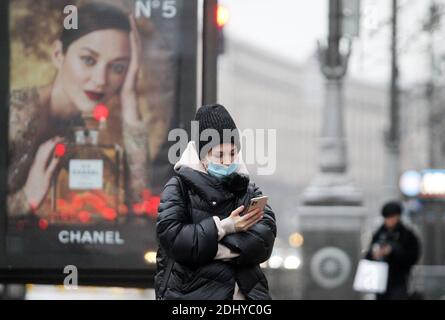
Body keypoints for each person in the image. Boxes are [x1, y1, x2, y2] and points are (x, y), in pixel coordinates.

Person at [7, 2, 149, 217]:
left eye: (118, 67)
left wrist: (129, 97)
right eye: (88, 60)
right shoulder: (15, 113)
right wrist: (26, 197)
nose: (101, 80)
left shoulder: (88, 127)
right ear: (58, 54)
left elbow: (138, 200)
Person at [155, 104, 277, 300]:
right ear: (203, 157)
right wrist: (225, 227)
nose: (228, 161)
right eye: (220, 155)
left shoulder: (249, 190)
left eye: (232, 153)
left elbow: (264, 240)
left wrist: (210, 249)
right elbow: (173, 239)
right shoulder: (179, 187)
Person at [365, 201, 421, 300]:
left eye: (391, 217)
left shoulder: (407, 235)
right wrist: (374, 254)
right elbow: (368, 255)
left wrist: (393, 251)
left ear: (398, 217)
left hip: (399, 280)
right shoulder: (379, 233)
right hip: (379, 279)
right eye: (387, 217)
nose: (389, 221)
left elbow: (412, 257)